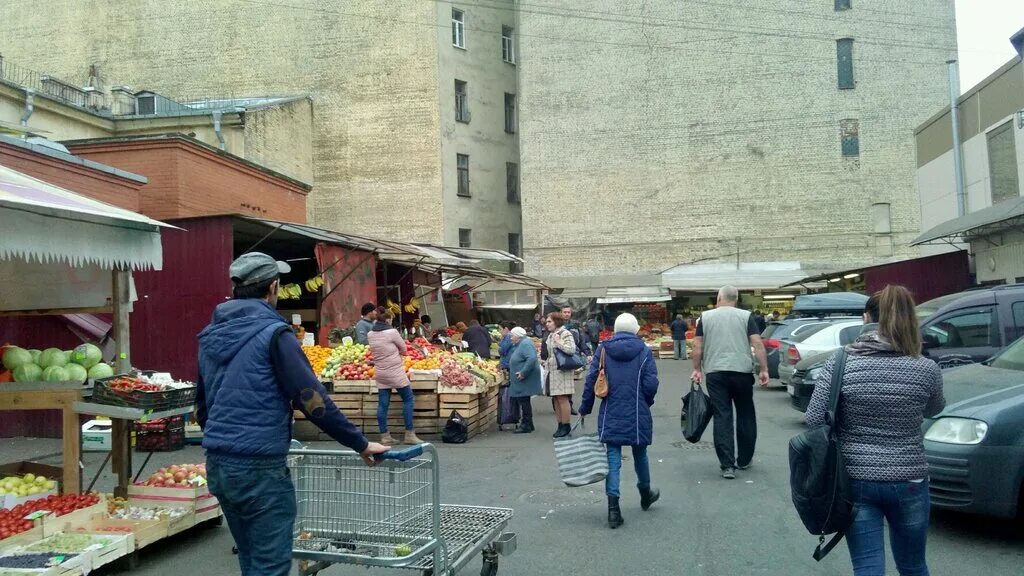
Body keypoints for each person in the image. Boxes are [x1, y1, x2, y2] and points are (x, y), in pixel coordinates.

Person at [196, 252, 389, 576]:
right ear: (273, 287)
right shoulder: (274, 334)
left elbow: (203, 404)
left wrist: (224, 440)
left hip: (219, 462)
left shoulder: (211, 335)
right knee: (269, 565)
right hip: (259, 467)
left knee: (251, 558)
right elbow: (310, 398)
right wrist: (359, 442)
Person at [806, 286, 944, 576]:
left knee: (867, 566)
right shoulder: (926, 367)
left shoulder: (841, 362)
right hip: (910, 478)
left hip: (855, 479)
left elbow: (815, 417)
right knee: (913, 565)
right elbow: (934, 409)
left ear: (867, 318)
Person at [580, 313, 660, 529]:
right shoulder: (644, 350)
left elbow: (591, 380)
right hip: (636, 410)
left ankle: (613, 510)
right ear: (635, 329)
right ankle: (645, 494)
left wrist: (585, 407)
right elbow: (651, 383)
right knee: (640, 453)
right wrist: (646, 402)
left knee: (612, 457)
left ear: (615, 329)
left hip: (610, 412)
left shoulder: (603, 349)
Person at [690, 285, 769, 479]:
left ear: (719, 297)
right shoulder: (746, 316)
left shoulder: (705, 317)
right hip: (741, 372)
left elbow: (697, 344)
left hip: (716, 373)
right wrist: (764, 369)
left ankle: (727, 465)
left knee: (722, 416)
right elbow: (757, 343)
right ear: (736, 298)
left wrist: (697, 369)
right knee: (745, 414)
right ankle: (744, 459)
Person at [368, 307, 423, 446]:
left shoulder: (370, 334)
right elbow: (404, 349)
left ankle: (385, 436)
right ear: (387, 320)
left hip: (380, 372)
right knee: (408, 398)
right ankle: (409, 434)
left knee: (383, 404)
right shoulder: (392, 332)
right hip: (395, 371)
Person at [544, 312, 577, 438]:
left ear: (556, 321)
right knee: (556, 398)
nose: (547, 324)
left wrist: (558, 342)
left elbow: (571, 350)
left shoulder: (565, 333)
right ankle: (560, 425)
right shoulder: (551, 335)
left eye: (549, 321)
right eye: (547, 322)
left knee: (563, 398)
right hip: (552, 371)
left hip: (562, 370)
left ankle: (566, 425)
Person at [507, 327, 542, 433]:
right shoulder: (522, 343)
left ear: (518, 336)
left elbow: (531, 358)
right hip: (522, 377)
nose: (511, 338)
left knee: (523, 400)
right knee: (523, 400)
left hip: (524, 377)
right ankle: (528, 423)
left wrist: (523, 372)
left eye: (512, 336)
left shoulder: (525, 343)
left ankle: (526, 424)